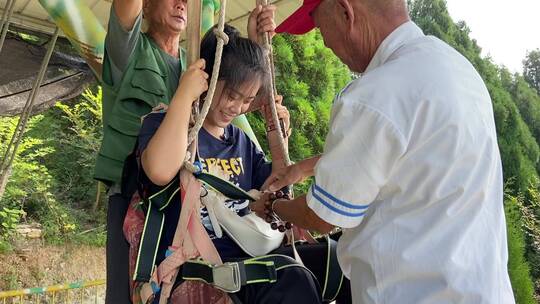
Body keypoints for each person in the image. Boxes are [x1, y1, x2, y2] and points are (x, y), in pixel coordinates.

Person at [250, 0, 516, 303]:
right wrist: (302, 168)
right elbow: (400, 157)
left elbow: (321, 217)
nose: (326, 44)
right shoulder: (455, 69)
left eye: (322, 29)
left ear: (346, 12)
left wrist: (273, 207)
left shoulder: (375, 95)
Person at [124, 24, 351, 303]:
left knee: (345, 259)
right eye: (232, 95)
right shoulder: (168, 126)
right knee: (293, 279)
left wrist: (276, 134)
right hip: (204, 266)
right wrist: (185, 96)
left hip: (250, 253)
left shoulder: (240, 141)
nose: (238, 108)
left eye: (247, 100)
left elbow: (279, 187)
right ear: (208, 78)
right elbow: (158, 171)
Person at [97, 0, 277, 302]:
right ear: (147, 6)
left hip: (189, 207)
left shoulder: (198, 61)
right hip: (136, 197)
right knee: (130, 292)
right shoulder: (127, 50)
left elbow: (245, 94)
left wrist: (256, 45)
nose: (182, 4)